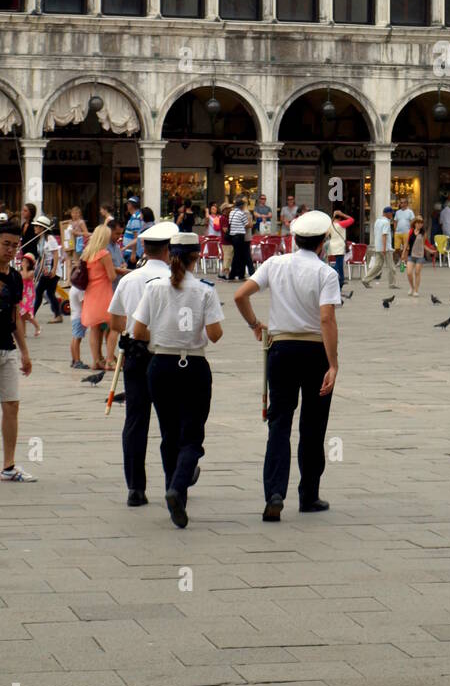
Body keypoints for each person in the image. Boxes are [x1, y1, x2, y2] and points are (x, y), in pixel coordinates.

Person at [234, 210, 340, 522]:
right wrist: (333, 364)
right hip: (314, 350)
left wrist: (255, 323)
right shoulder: (326, 274)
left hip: (280, 349)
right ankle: (308, 495)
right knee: (313, 426)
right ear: (322, 243)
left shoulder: (274, 264)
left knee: (279, 424)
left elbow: (240, 295)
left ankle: (274, 493)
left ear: (294, 239)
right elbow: (326, 319)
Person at [132, 232, 222, 528]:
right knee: (192, 435)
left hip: (160, 363)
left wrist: (160, 336)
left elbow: (138, 330)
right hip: (193, 363)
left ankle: (175, 493)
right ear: (197, 256)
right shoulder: (204, 290)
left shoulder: (154, 288)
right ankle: (177, 488)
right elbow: (215, 334)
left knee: (169, 433)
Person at [107, 220, 181, 507]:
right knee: (170, 421)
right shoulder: (176, 279)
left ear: (145, 250)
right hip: (166, 354)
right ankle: (173, 482)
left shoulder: (129, 280)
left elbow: (114, 321)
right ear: (168, 250)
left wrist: (133, 327)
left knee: (136, 420)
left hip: (135, 355)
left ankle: (135, 487)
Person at [0, 216, 34, 483]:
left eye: (14, 246)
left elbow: (16, 318)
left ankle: (9, 465)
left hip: (7, 349)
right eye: (5, 244)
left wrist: (24, 352)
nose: (10, 250)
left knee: (11, 405)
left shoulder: (14, 278)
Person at [80, 223, 116, 370]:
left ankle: (96, 360)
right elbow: (112, 276)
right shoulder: (104, 253)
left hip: (91, 293)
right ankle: (109, 359)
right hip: (103, 293)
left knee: (94, 329)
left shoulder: (88, 253)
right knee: (113, 326)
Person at [33, 217, 62, 324]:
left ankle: (32, 314)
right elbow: (42, 257)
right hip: (46, 270)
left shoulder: (50, 239)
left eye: (37, 226)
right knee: (48, 293)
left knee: (40, 291)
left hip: (52, 270)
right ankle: (57, 314)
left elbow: (55, 254)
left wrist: (54, 269)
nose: (35, 228)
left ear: (42, 228)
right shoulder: (40, 240)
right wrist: (38, 270)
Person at [365, 206, 397, 288]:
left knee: (377, 266)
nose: (392, 215)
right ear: (388, 213)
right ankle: (392, 284)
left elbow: (376, 234)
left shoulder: (377, 221)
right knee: (391, 267)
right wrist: (384, 248)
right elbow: (384, 235)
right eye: (391, 213)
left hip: (378, 246)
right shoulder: (386, 222)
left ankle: (366, 279)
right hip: (385, 248)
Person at [402, 218, 436, 296]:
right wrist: (403, 253)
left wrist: (430, 251)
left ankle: (416, 290)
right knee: (409, 273)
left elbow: (424, 244)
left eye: (421, 223)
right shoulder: (410, 231)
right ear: (414, 223)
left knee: (417, 272)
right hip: (411, 255)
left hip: (420, 256)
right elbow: (406, 243)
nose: (419, 224)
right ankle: (412, 287)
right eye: (418, 223)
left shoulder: (423, 233)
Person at [327, 208, 354, 291]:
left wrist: (334, 216)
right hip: (339, 246)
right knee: (339, 265)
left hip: (332, 245)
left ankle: (340, 280)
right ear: (340, 218)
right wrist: (342, 214)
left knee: (339, 264)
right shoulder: (342, 224)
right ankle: (337, 278)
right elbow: (352, 220)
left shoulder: (330, 225)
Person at [227, 196, 254, 281]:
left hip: (233, 236)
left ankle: (238, 274)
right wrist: (251, 223)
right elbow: (247, 225)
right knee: (238, 256)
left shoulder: (232, 213)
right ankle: (233, 274)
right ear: (241, 206)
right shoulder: (242, 213)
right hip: (240, 236)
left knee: (238, 255)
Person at [18, 255, 40, 338]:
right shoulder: (21, 271)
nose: (23, 263)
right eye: (23, 261)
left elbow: (25, 276)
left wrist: (24, 268)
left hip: (29, 295)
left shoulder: (31, 272)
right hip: (22, 294)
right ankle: (23, 332)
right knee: (21, 315)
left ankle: (37, 326)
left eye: (26, 262)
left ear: (29, 264)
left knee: (27, 313)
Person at [121, 197, 144, 266]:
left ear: (131, 205)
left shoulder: (135, 217)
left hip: (131, 252)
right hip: (132, 251)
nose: (127, 206)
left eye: (128, 204)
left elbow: (136, 237)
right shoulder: (138, 215)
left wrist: (133, 253)